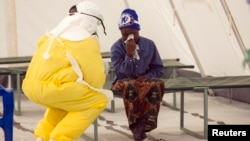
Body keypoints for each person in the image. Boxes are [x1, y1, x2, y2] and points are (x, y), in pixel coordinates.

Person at [22, 1, 110, 141]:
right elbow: (96, 79)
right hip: (53, 89)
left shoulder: (53, 34)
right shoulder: (84, 40)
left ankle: (42, 136)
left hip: (30, 85)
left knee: (67, 100)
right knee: (99, 99)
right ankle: (61, 137)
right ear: (92, 20)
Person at [111, 8, 165, 141]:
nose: (129, 37)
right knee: (130, 85)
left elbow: (158, 69)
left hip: (143, 79)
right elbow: (120, 73)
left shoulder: (149, 45)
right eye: (125, 34)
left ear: (138, 31)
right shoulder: (116, 47)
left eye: (132, 33)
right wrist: (129, 55)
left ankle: (146, 125)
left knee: (158, 83)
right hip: (123, 81)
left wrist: (146, 77)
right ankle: (137, 130)